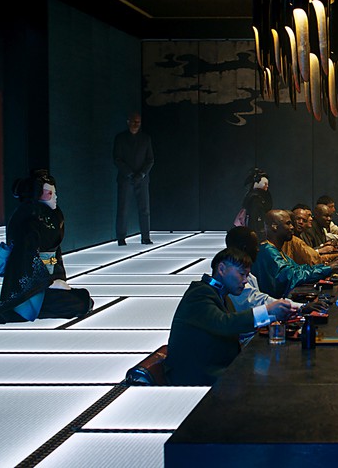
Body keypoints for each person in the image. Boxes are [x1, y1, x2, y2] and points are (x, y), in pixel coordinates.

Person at [0, 170, 94, 323]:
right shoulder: (29, 218)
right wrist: (49, 282)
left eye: (54, 193)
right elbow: (26, 256)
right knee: (78, 304)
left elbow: (53, 255)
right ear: (37, 194)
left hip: (45, 278)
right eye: (49, 193)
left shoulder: (51, 216)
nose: (55, 197)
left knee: (82, 301)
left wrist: (56, 277)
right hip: (29, 282)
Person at [163, 248, 294, 386]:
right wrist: (268, 311)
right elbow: (225, 324)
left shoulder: (220, 294)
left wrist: (274, 316)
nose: (245, 281)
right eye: (242, 274)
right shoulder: (199, 294)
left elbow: (233, 329)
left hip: (214, 367)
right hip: (198, 375)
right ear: (222, 269)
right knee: (273, 377)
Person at [226, 226, 329, 344]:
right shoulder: (233, 275)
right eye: (255, 246)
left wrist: (298, 307)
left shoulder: (248, 273)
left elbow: (296, 270)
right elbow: (260, 301)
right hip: (245, 342)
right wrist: (300, 307)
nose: (258, 250)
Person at [252, 209, 338, 297]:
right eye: (288, 224)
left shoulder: (276, 250)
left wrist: (328, 267)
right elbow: (292, 276)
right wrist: (328, 269)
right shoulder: (268, 251)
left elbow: (299, 269)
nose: (292, 227)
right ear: (274, 227)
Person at [114, 112, 154, 245]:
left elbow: (150, 159)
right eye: (133, 121)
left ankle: (145, 237)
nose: (135, 124)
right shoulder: (120, 138)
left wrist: (141, 174)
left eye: (138, 122)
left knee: (145, 209)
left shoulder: (146, 139)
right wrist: (130, 174)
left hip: (142, 179)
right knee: (123, 209)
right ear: (128, 122)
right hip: (126, 179)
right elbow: (117, 159)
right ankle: (121, 237)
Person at [236, 168, 272, 239]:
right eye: (265, 184)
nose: (267, 186)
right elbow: (255, 217)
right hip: (257, 230)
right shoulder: (255, 199)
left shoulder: (254, 196)